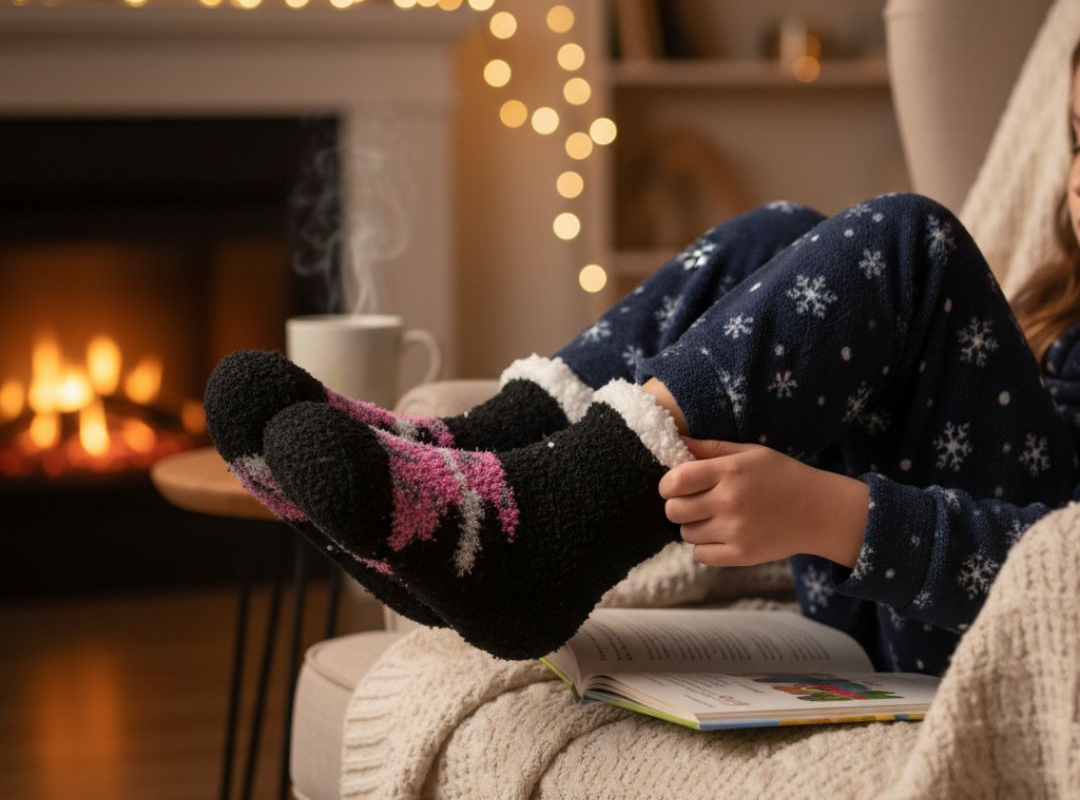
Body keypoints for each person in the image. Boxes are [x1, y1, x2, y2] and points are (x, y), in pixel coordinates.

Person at [203, 50, 1080, 676]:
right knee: (779, 231)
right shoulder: (1051, 302)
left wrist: (831, 513)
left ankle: (541, 529)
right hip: (897, 606)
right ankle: (484, 464)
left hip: (998, 635)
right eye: (1078, 137)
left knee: (909, 242)